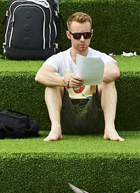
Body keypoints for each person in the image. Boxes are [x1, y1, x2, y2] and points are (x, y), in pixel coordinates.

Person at [35, 12, 123, 142]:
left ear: (91, 34)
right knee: (52, 83)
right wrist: (65, 81)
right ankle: (55, 128)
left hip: (92, 111)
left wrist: (85, 77)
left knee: (108, 82)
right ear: (68, 35)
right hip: (67, 112)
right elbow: (40, 75)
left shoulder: (99, 56)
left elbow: (114, 72)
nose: (82, 39)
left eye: (86, 35)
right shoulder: (60, 58)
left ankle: (110, 128)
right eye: (77, 36)